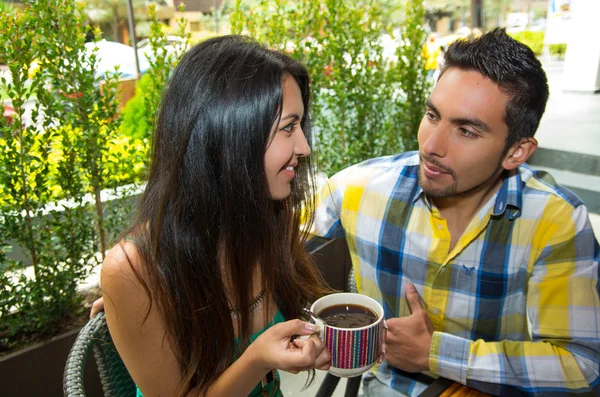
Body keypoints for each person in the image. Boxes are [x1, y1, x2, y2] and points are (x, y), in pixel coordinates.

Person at [307, 28, 600, 396]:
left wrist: (436, 353)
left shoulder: (554, 220)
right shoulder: (360, 188)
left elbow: (582, 364)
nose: (430, 146)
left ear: (517, 152)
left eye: (466, 130)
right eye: (432, 115)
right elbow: (266, 243)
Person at [100, 35, 332, 397]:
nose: (303, 147)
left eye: (300, 125)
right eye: (289, 127)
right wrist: (256, 359)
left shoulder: (271, 222)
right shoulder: (134, 271)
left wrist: (314, 344)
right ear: (229, 135)